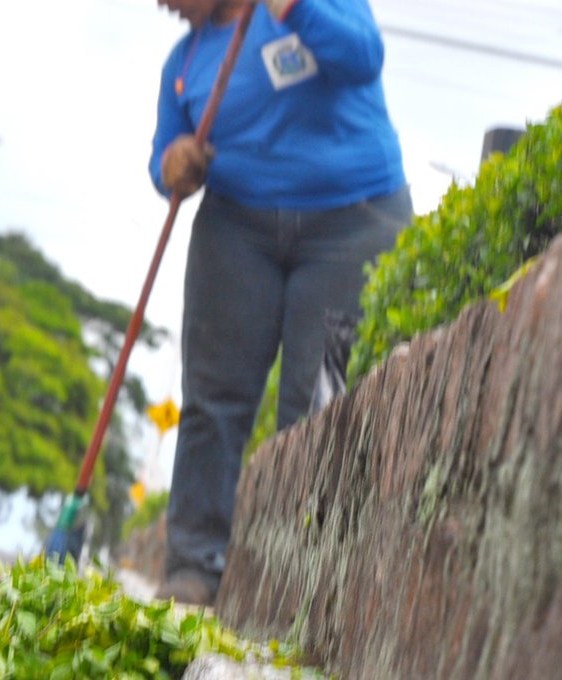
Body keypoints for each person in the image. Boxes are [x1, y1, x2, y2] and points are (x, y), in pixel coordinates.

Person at [149, 0, 413, 606]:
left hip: (354, 221)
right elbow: (165, 159)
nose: (160, 4)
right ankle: (193, 567)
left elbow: (362, 57)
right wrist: (175, 164)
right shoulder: (185, 64)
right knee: (213, 399)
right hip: (237, 231)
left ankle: (305, 578)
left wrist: (297, 10)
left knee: (319, 401)